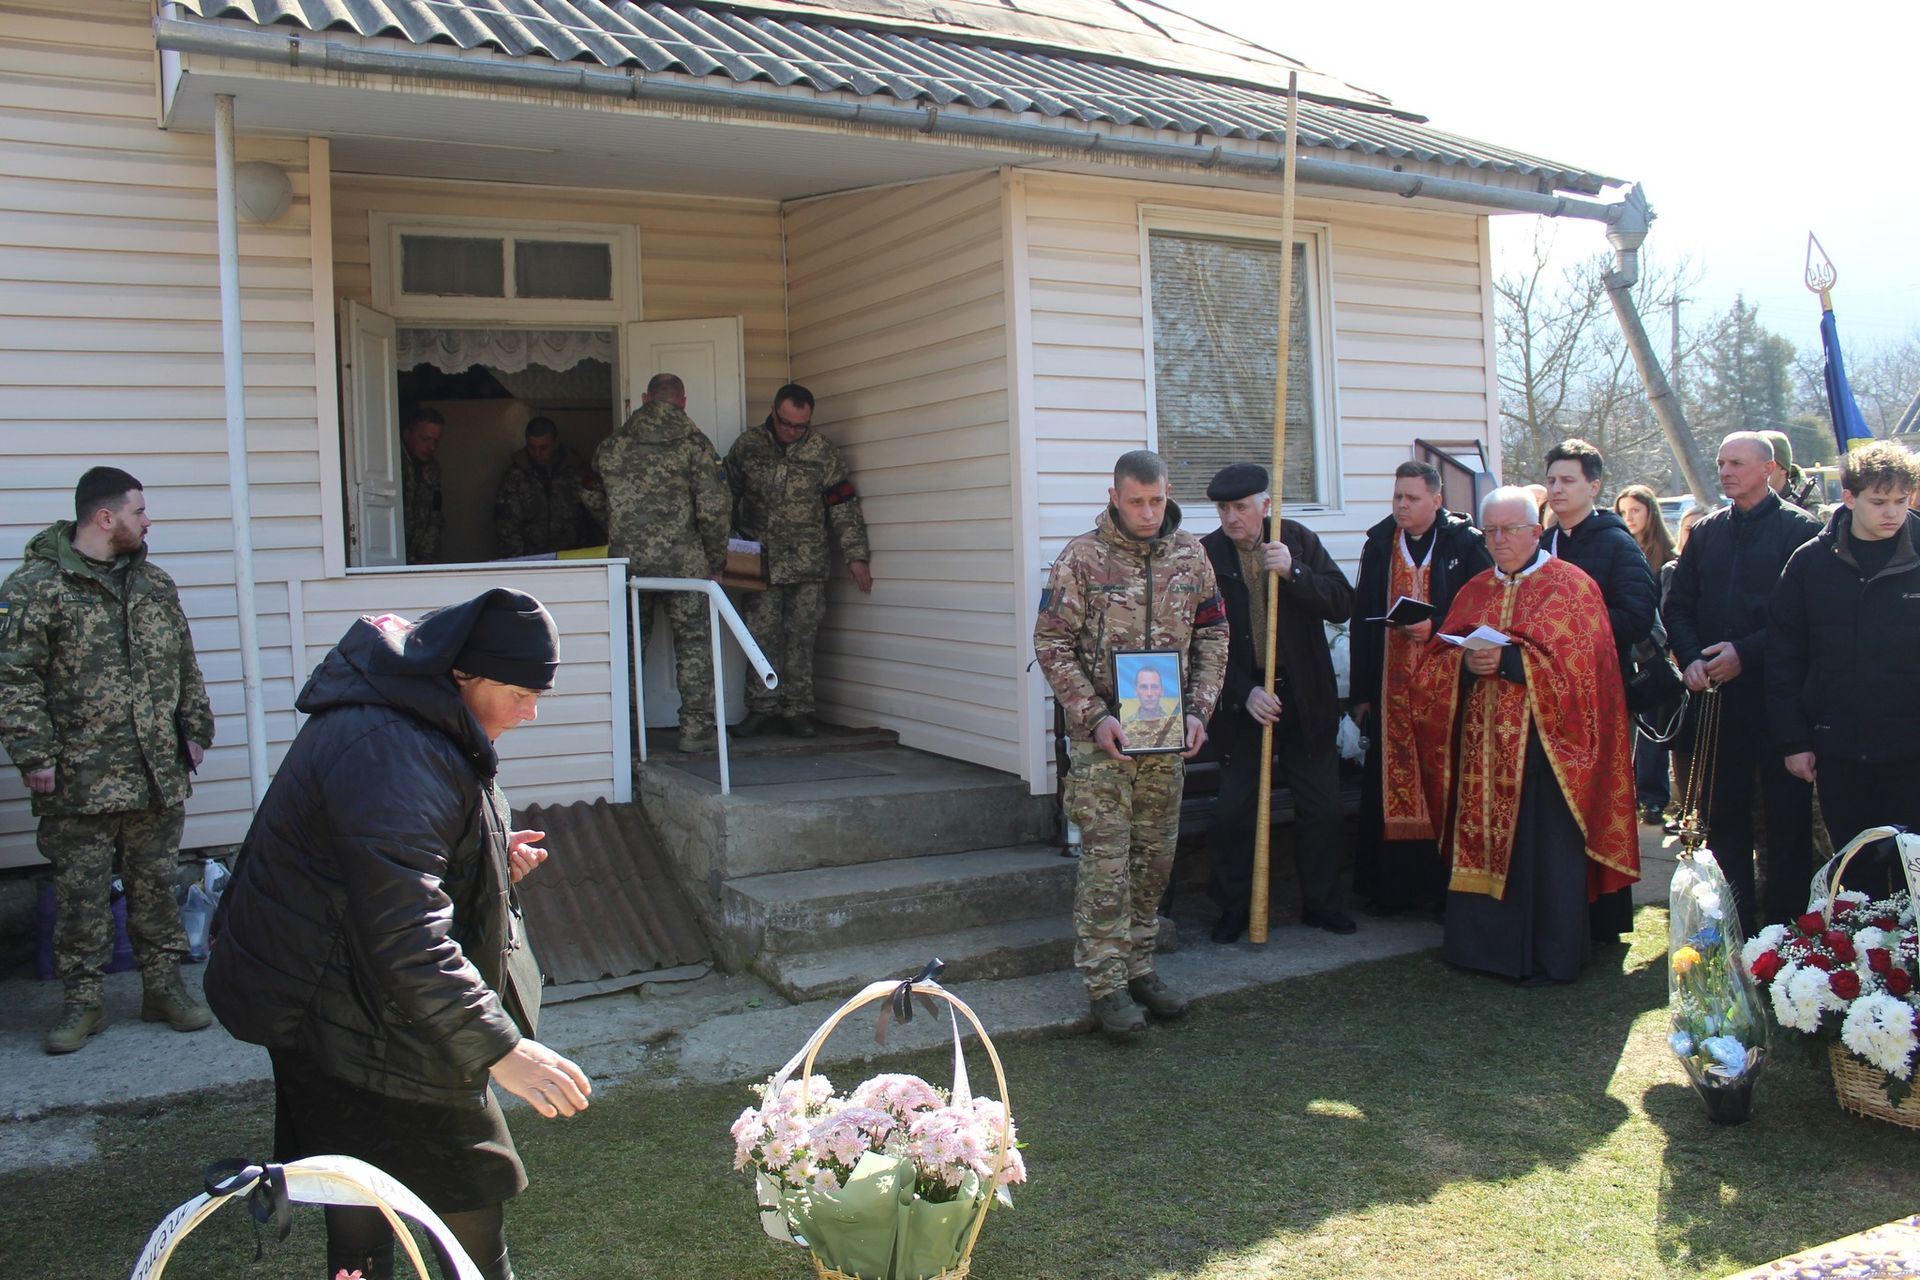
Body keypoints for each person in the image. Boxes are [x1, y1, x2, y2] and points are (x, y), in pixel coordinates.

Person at [206, 589, 592, 1280]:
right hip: (340, 1006)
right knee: (441, 1196)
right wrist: (501, 1050)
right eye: (518, 693)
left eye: (539, 695)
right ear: (461, 676)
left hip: (357, 993)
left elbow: (385, 866)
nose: (529, 713)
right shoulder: (392, 746)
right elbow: (404, 925)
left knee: (365, 1191)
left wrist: (490, 866)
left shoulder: (411, 718)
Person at [0, 467, 215, 1055]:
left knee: (156, 884)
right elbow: (14, 678)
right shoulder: (34, 588)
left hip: (153, 770)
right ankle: (83, 1002)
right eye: (138, 512)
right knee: (81, 895)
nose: (148, 522)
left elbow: (182, 662)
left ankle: (164, 988)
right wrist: (34, 754)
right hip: (79, 777)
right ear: (104, 518)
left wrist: (194, 728)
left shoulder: (154, 585)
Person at [1404, 487, 1640, 985]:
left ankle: (1547, 954)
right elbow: (1433, 667)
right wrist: (1464, 663)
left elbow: (1588, 675)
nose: (1499, 540)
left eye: (1511, 529)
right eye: (1490, 530)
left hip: (1547, 753)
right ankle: (1480, 949)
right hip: (1479, 753)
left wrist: (1513, 661)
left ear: (1536, 531)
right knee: (1481, 839)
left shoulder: (1573, 588)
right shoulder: (1472, 591)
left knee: (1544, 850)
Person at [1033, 449, 1228, 1038]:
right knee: (1107, 862)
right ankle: (1106, 984)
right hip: (1104, 742)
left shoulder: (1192, 555)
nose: (1148, 512)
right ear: (1114, 496)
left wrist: (1198, 709)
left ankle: (1140, 967)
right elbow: (1052, 642)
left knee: (1154, 858)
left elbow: (1214, 633)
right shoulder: (1081, 559)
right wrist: (1093, 716)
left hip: (1165, 736)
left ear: (1168, 495)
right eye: (1137, 501)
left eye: (1158, 500)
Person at [1664, 431, 1822, 932]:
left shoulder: (1801, 531)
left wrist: (1744, 654)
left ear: (1768, 467)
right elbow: (1679, 603)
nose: (1726, 471)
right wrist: (1690, 658)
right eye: (1721, 462)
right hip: (1717, 700)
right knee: (1724, 817)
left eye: (1737, 463)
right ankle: (1733, 924)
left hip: (1779, 700)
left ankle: (1786, 931)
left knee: (1785, 822)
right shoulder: (1707, 531)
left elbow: (1803, 619)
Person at [1198, 462, 1356, 943]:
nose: (1231, 518)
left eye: (1241, 507)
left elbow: (1342, 603)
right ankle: (1233, 909)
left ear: (1265, 506)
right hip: (1243, 701)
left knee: (1322, 807)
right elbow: (1199, 639)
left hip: (1304, 696)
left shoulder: (1297, 539)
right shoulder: (1207, 555)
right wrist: (1244, 692)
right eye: (1224, 508)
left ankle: (1322, 905)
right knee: (1233, 811)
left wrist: (1294, 572)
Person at [1768, 441, 1920, 872]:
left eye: (1900, 500)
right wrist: (1793, 741)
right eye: (1879, 501)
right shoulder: (1809, 564)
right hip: (1840, 750)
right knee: (1856, 878)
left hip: (1914, 750)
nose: (1892, 512)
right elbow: (1784, 657)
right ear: (1849, 498)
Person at [1351, 461, 1492, 917]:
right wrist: (1362, 693)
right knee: (1390, 781)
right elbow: (1361, 618)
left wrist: (1437, 626)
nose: (1402, 506)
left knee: (1444, 778)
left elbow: (1484, 607)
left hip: (1447, 686)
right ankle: (1392, 889)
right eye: (1397, 498)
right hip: (1391, 687)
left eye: (1411, 498)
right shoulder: (1379, 545)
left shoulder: (1465, 544)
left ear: (1436, 500)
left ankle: (1443, 887)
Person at [1539, 439, 1656, 942]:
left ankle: (1604, 915)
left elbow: (1636, 614)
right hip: (1550, 696)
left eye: (1568, 480)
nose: (1557, 489)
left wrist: (1571, 629)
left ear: (1594, 485)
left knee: (1598, 801)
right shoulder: (1544, 543)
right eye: (1552, 480)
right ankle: (1564, 907)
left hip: (1601, 695)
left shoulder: (1615, 542)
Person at [581, 374, 732, 752]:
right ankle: (696, 732)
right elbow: (715, 508)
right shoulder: (696, 445)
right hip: (685, 563)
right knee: (695, 645)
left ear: (645, 399)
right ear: (682, 401)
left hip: (628, 563)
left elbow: (588, 492)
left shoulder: (612, 445)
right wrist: (715, 559)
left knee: (629, 647)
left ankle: (627, 733)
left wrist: (618, 527)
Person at [726, 383, 873, 738]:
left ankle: (797, 711)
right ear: (774, 412)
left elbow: (842, 506)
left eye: (800, 427)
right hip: (759, 562)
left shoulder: (822, 452)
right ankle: (761, 708)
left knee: (801, 638)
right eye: (786, 423)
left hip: (808, 562)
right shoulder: (748, 446)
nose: (792, 432)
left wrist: (856, 556)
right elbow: (723, 499)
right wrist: (724, 550)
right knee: (760, 636)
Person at [1613, 484, 1679, 826]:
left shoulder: (1665, 555)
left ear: (1650, 513)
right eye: (1623, 512)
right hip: (1627, 653)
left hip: (1654, 652)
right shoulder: (1620, 548)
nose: (1629, 518)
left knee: (1654, 727)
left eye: (1635, 511)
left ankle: (1654, 797)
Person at [493, 417, 601, 558]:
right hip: (529, 561)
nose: (537, 453)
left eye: (544, 448)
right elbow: (506, 524)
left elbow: (595, 518)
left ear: (555, 443)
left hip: (572, 560)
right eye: (532, 447)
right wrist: (519, 561)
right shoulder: (515, 476)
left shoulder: (578, 472)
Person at [401, 407, 446, 565]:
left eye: (435, 441)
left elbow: (435, 512)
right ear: (407, 435)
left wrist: (427, 561)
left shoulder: (432, 469)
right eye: (425, 439)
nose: (431, 447)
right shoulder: (392, 465)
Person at [1119, 664, 1184, 751]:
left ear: (1162, 691)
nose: (1149, 693)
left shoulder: (1178, 727)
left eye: (1154, 687)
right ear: (1136, 691)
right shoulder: (1123, 729)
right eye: (1143, 687)